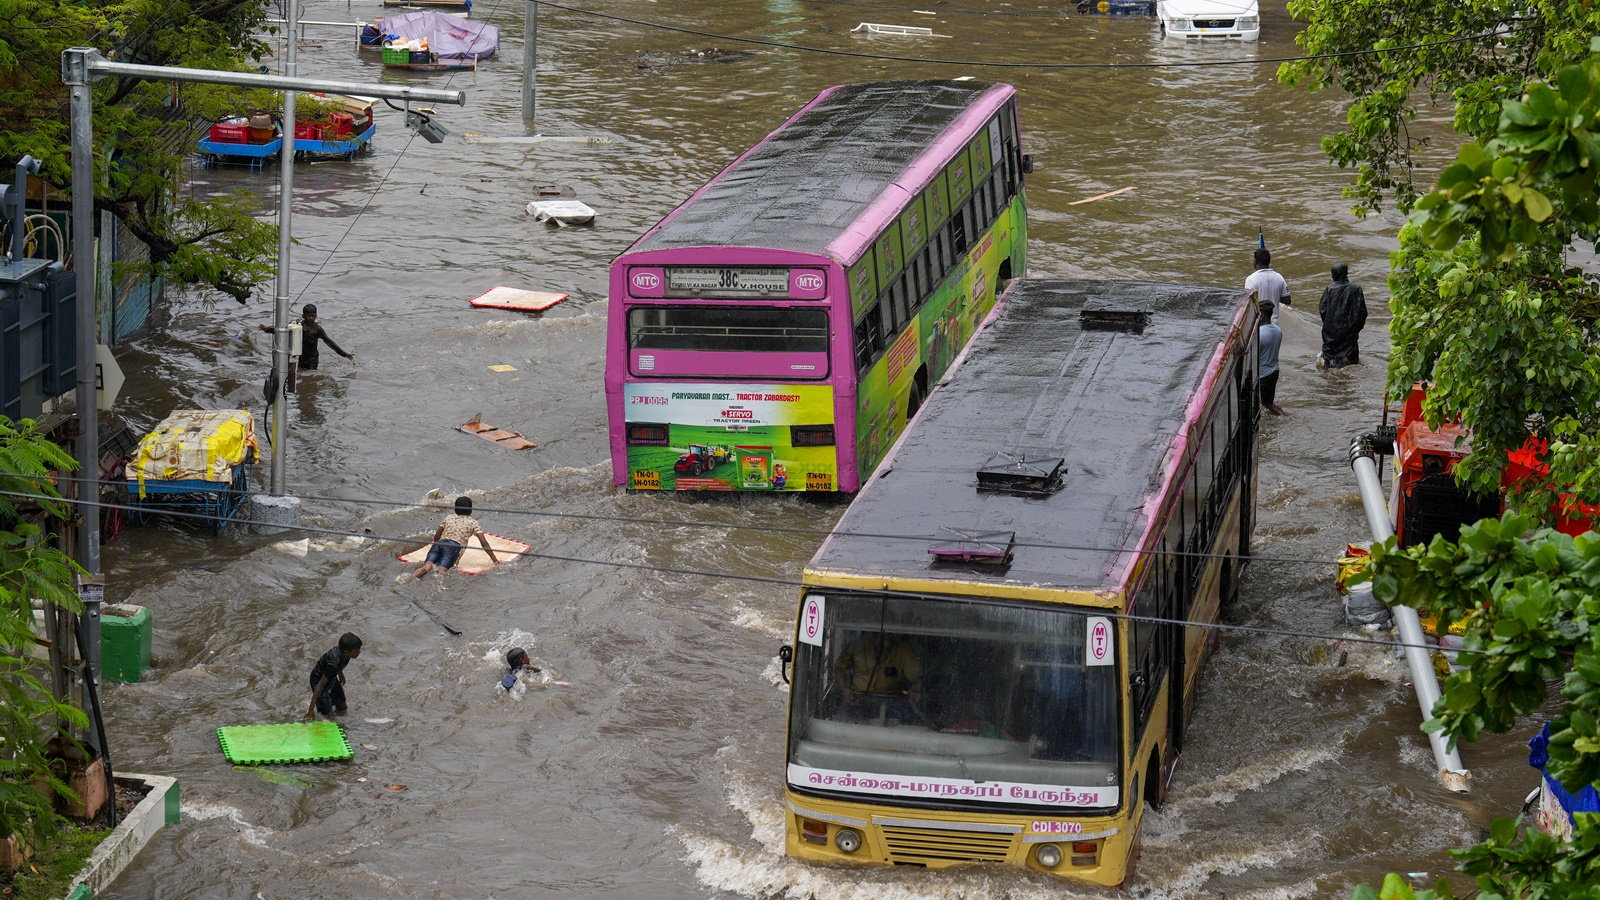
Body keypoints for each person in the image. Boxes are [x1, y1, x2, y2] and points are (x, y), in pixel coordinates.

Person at [413, 496, 499, 578]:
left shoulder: (449, 518)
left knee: (426, 567)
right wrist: (495, 560)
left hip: (439, 544)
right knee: (440, 572)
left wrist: (436, 548)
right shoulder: (473, 523)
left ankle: (411, 577)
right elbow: (484, 543)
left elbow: (437, 537)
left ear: (456, 508)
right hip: (452, 548)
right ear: (470, 510)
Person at [259, 303, 354, 371]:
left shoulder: (318, 329)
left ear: (316, 316)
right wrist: (267, 329)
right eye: (309, 316)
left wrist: (345, 354)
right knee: (301, 377)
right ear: (303, 316)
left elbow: (329, 342)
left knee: (312, 377)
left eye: (313, 316)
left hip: (313, 359)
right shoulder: (297, 326)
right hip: (302, 358)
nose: (311, 318)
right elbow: (282, 330)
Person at [834, 631, 923, 700]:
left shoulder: (903, 650)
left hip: (891, 702)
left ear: (892, 636)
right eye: (878, 635)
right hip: (859, 700)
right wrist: (844, 689)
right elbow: (839, 667)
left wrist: (915, 689)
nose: (882, 640)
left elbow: (917, 677)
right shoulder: (858, 644)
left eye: (886, 636)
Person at [1318, 263, 1368, 369]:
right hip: (1350, 331)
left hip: (1331, 332)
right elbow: (1362, 312)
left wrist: (1330, 325)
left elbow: (1323, 310)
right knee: (1351, 362)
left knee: (1330, 363)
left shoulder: (1329, 289)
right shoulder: (1356, 289)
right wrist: (1355, 328)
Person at [304, 632, 361, 721]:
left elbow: (339, 663)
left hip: (331, 676)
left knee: (342, 707)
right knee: (330, 718)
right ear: (346, 652)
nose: (359, 652)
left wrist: (340, 673)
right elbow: (319, 687)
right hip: (319, 680)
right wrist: (310, 710)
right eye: (357, 651)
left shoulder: (344, 653)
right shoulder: (333, 664)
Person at [1244, 247, 1292, 324]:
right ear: (1269, 261)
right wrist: (1274, 295)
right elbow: (1287, 300)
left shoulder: (1251, 279)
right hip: (1275, 324)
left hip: (1259, 325)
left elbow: (1248, 305)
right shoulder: (1279, 277)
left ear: (1255, 261)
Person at [1257, 299, 1286, 416]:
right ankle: (1283, 414)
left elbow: (1254, 355)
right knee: (1269, 401)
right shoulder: (1277, 330)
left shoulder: (1260, 333)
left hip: (1264, 374)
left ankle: (1285, 417)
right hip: (1274, 370)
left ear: (1262, 315)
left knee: (1266, 403)